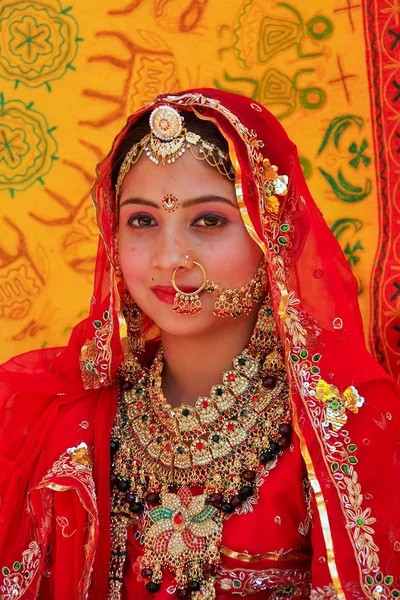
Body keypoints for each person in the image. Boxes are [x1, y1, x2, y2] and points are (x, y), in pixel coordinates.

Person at [0, 89, 399, 600]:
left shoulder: (344, 423)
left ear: (270, 231)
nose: (170, 258)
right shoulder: (65, 417)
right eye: (142, 221)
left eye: (209, 220)